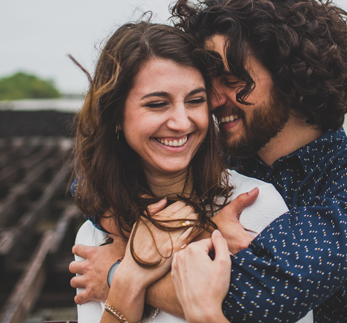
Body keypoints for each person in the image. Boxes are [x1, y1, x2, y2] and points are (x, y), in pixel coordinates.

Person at [73, 0, 347, 322]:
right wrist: (197, 229)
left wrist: (120, 275)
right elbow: (102, 178)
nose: (214, 101)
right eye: (209, 84)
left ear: (291, 76)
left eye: (232, 82)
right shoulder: (233, 157)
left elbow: (258, 300)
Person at [69, 21, 312, 323]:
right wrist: (128, 278)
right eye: (158, 104)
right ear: (116, 115)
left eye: (196, 101)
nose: (182, 123)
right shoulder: (95, 235)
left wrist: (120, 274)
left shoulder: (255, 207)